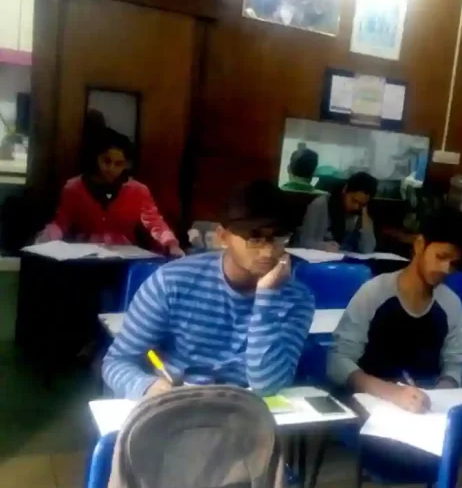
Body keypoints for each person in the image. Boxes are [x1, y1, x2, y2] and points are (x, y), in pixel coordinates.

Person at [103, 180, 315, 399]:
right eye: (255, 237)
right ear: (223, 237)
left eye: (279, 237)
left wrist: (266, 300)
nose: (268, 251)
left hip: (245, 407)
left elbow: (268, 386)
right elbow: (117, 362)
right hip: (177, 399)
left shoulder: (298, 299)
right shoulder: (172, 281)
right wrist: (146, 386)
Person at [327, 207, 462, 412]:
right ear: (419, 245)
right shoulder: (374, 293)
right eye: (441, 257)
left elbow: (453, 365)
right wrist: (392, 393)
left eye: (453, 264)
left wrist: (440, 395)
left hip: (424, 409)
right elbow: (338, 361)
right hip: (370, 404)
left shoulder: (451, 304)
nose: (446, 269)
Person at [36, 128, 183, 256]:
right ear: (97, 158)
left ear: (126, 165)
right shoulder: (74, 187)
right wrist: (45, 240)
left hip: (123, 257)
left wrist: (171, 244)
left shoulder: (138, 190)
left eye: (118, 164)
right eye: (106, 161)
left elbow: (154, 222)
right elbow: (61, 222)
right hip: (85, 257)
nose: (111, 169)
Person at [295, 171, 378, 253]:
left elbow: (368, 249)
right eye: (354, 200)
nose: (356, 207)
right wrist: (323, 247)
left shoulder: (361, 214)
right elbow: (304, 242)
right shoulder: (320, 205)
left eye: (362, 204)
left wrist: (365, 214)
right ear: (345, 190)